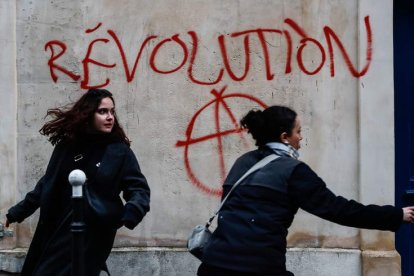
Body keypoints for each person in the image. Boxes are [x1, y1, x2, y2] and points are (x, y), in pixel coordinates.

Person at [197, 105, 414, 276]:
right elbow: (338, 209)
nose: (301, 137)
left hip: (213, 264)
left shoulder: (242, 162)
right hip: (257, 267)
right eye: (298, 131)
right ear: (284, 137)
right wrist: (396, 215)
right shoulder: (292, 170)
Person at [5, 88, 150, 276]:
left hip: (95, 232)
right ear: (88, 114)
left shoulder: (118, 151)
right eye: (103, 111)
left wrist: (131, 211)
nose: (110, 117)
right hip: (58, 228)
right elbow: (46, 184)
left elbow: (138, 187)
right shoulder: (68, 147)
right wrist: (18, 212)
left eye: (112, 111)